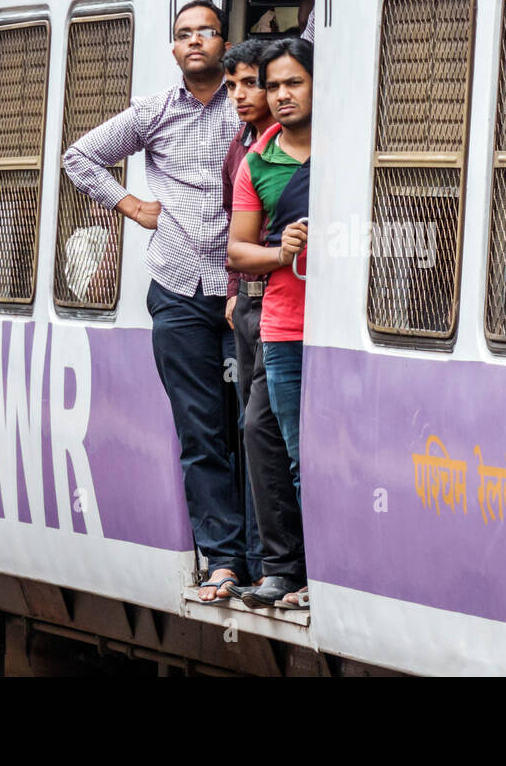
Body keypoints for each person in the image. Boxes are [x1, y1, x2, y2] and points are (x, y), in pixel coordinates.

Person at [63, 0, 251, 603]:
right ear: (173, 49)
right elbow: (79, 156)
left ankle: (268, 559)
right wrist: (130, 205)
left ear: (224, 42)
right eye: (183, 34)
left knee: (252, 426)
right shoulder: (153, 111)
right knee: (200, 431)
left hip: (240, 290)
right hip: (176, 291)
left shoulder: (248, 108)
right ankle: (222, 560)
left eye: (206, 32)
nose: (194, 41)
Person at [220, 41, 309, 606]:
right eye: (273, 86)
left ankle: (322, 573)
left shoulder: (350, 149)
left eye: (293, 83)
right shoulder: (258, 162)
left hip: (349, 328)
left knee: (310, 452)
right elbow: (236, 252)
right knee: (271, 441)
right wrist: (281, 254)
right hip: (284, 324)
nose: (281, 96)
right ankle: (285, 570)